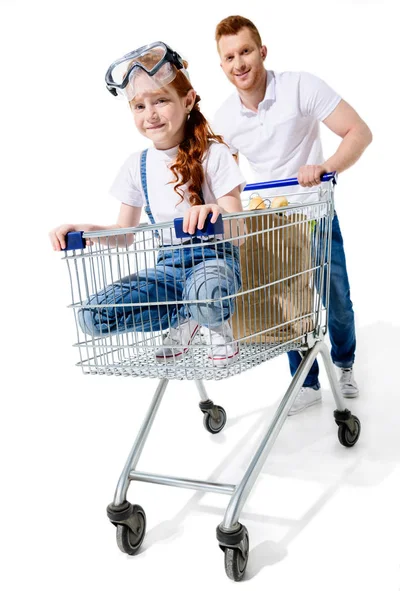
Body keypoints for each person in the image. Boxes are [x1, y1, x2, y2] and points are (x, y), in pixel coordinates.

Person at [213, 16, 372, 413]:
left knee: (335, 294)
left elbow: (358, 132)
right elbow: (220, 175)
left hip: (314, 211)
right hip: (269, 221)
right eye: (229, 56)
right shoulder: (225, 119)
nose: (239, 63)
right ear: (222, 65)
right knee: (286, 301)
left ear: (262, 52)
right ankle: (306, 380)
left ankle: (345, 361)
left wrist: (325, 167)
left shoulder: (300, 86)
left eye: (246, 51)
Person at [49, 41, 245, 365]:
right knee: (92, 317)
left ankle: (206, 318)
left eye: (161, 101)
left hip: (214, 262)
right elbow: (124, 234)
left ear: (188, 100)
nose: (150, 114)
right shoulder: (135, 165)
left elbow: (238, 228)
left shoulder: (215, 155)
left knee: (204, 291)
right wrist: (87, 230)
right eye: (139, 106)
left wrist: (216, 211)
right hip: (168, 270)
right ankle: (186, 314)